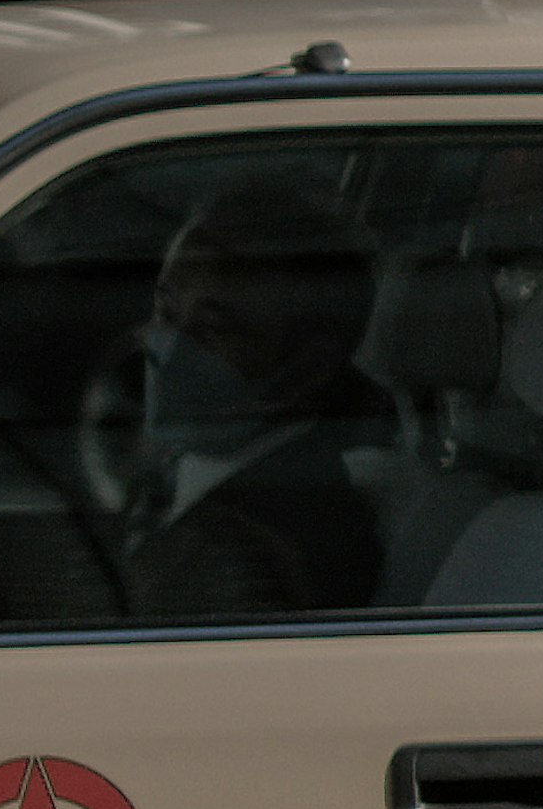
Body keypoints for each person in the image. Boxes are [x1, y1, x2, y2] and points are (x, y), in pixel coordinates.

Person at [120, 178, 389, 625]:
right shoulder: (182, 474)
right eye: (166, 313)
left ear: (309, 370)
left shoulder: (266, 556)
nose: (168, 350)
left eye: (212, 331)